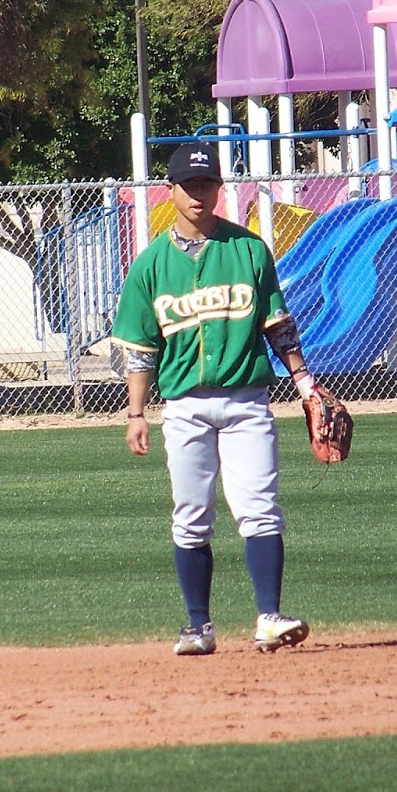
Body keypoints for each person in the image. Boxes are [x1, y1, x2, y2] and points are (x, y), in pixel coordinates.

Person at [111, 141, 320, 656]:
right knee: (191, 514)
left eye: (207, 184)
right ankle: (198, 626)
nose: (199, 194)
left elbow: (277, 323)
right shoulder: (151, 265)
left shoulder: (249, 250)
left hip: (247, 400)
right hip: (184, 407)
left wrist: (303, 380)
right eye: (189, 185)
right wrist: (136, 413)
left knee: (260, 510)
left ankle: (269, 617)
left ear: (220, 189)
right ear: (172, 190)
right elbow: (141, 350)